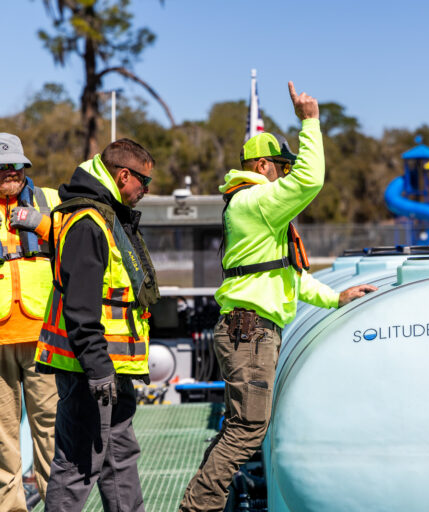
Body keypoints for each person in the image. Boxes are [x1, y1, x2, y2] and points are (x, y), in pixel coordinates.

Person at [179, 82, 377, 511]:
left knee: (240, 426)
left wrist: (336, 298)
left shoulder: (251, 205)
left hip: (248, 329)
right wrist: (310, 123)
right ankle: (198, 507)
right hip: (250, 331)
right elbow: (311, 179)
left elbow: (288, 276)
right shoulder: (256, 201)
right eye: (282, 168)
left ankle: (202, 501)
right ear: (265, 166)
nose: (287, 175)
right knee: (247, 428)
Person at [35, 138, 160, 511]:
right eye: (144, 182)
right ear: (124, 175)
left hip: (111, 370)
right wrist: (98, 369)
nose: (146, 191)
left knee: (119, 462)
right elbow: (81, 305)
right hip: (91, 370)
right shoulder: (89, 223)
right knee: (76, 465)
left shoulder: (106, 216)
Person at [0, 133, 60, 511]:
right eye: (2, 167)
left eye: (16, 167)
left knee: (52, 429)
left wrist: (40, 224)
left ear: (26, 168)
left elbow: (77, 239)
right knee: (2, 436)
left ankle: (59, 503)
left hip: (42, 335)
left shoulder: (50, 201)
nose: (10, 174)